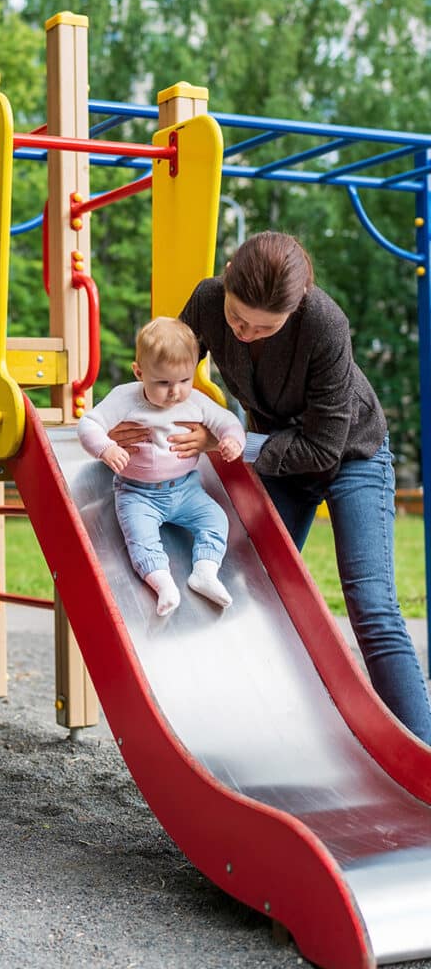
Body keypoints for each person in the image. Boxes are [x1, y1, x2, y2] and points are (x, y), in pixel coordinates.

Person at [108, 231, 431, 745]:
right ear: (229, 275)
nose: (246, 333)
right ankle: (247, 729)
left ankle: (423, 753)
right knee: (244, 586)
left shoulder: (325, 324)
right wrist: (129, 417)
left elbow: (324, 449)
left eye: (265, 327)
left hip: (351, 456)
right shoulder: (209, 299)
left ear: (296, 306)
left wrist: (227, 442)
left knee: (371, 605)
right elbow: (166, 367)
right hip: (278, 457)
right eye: (238, 320)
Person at [78, 316, 245, 616]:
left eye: (184, 380)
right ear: (139, 372)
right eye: (163, 383)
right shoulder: (124, 398)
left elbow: (227, 421)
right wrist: (106, 447)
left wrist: (232, 440)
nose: (175, 391)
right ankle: (163, 583)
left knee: (216, 520)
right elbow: (89, 424)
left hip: (186, 490)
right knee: (141, 539)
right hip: (137, 494)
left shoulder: (194, 400)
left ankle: (205, 572)